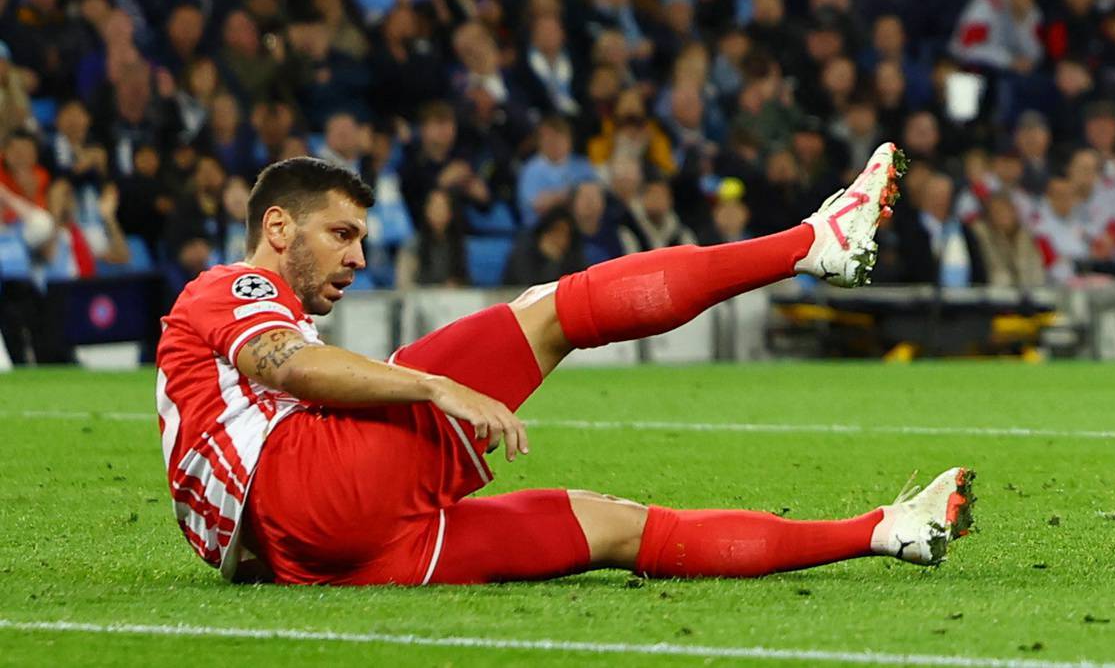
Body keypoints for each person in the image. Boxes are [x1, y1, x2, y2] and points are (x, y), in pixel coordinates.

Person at [155, 148, 975, 586]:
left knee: (613, 526)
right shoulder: (231, 285)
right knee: (552, 309)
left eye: (363, 237)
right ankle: (810, 244)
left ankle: (880, 529)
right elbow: (295, 367)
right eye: (341, 234)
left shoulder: (224, 343)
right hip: (315, 487)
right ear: (275, 226)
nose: (359, 256)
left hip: (327, 558)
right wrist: (435, 384)